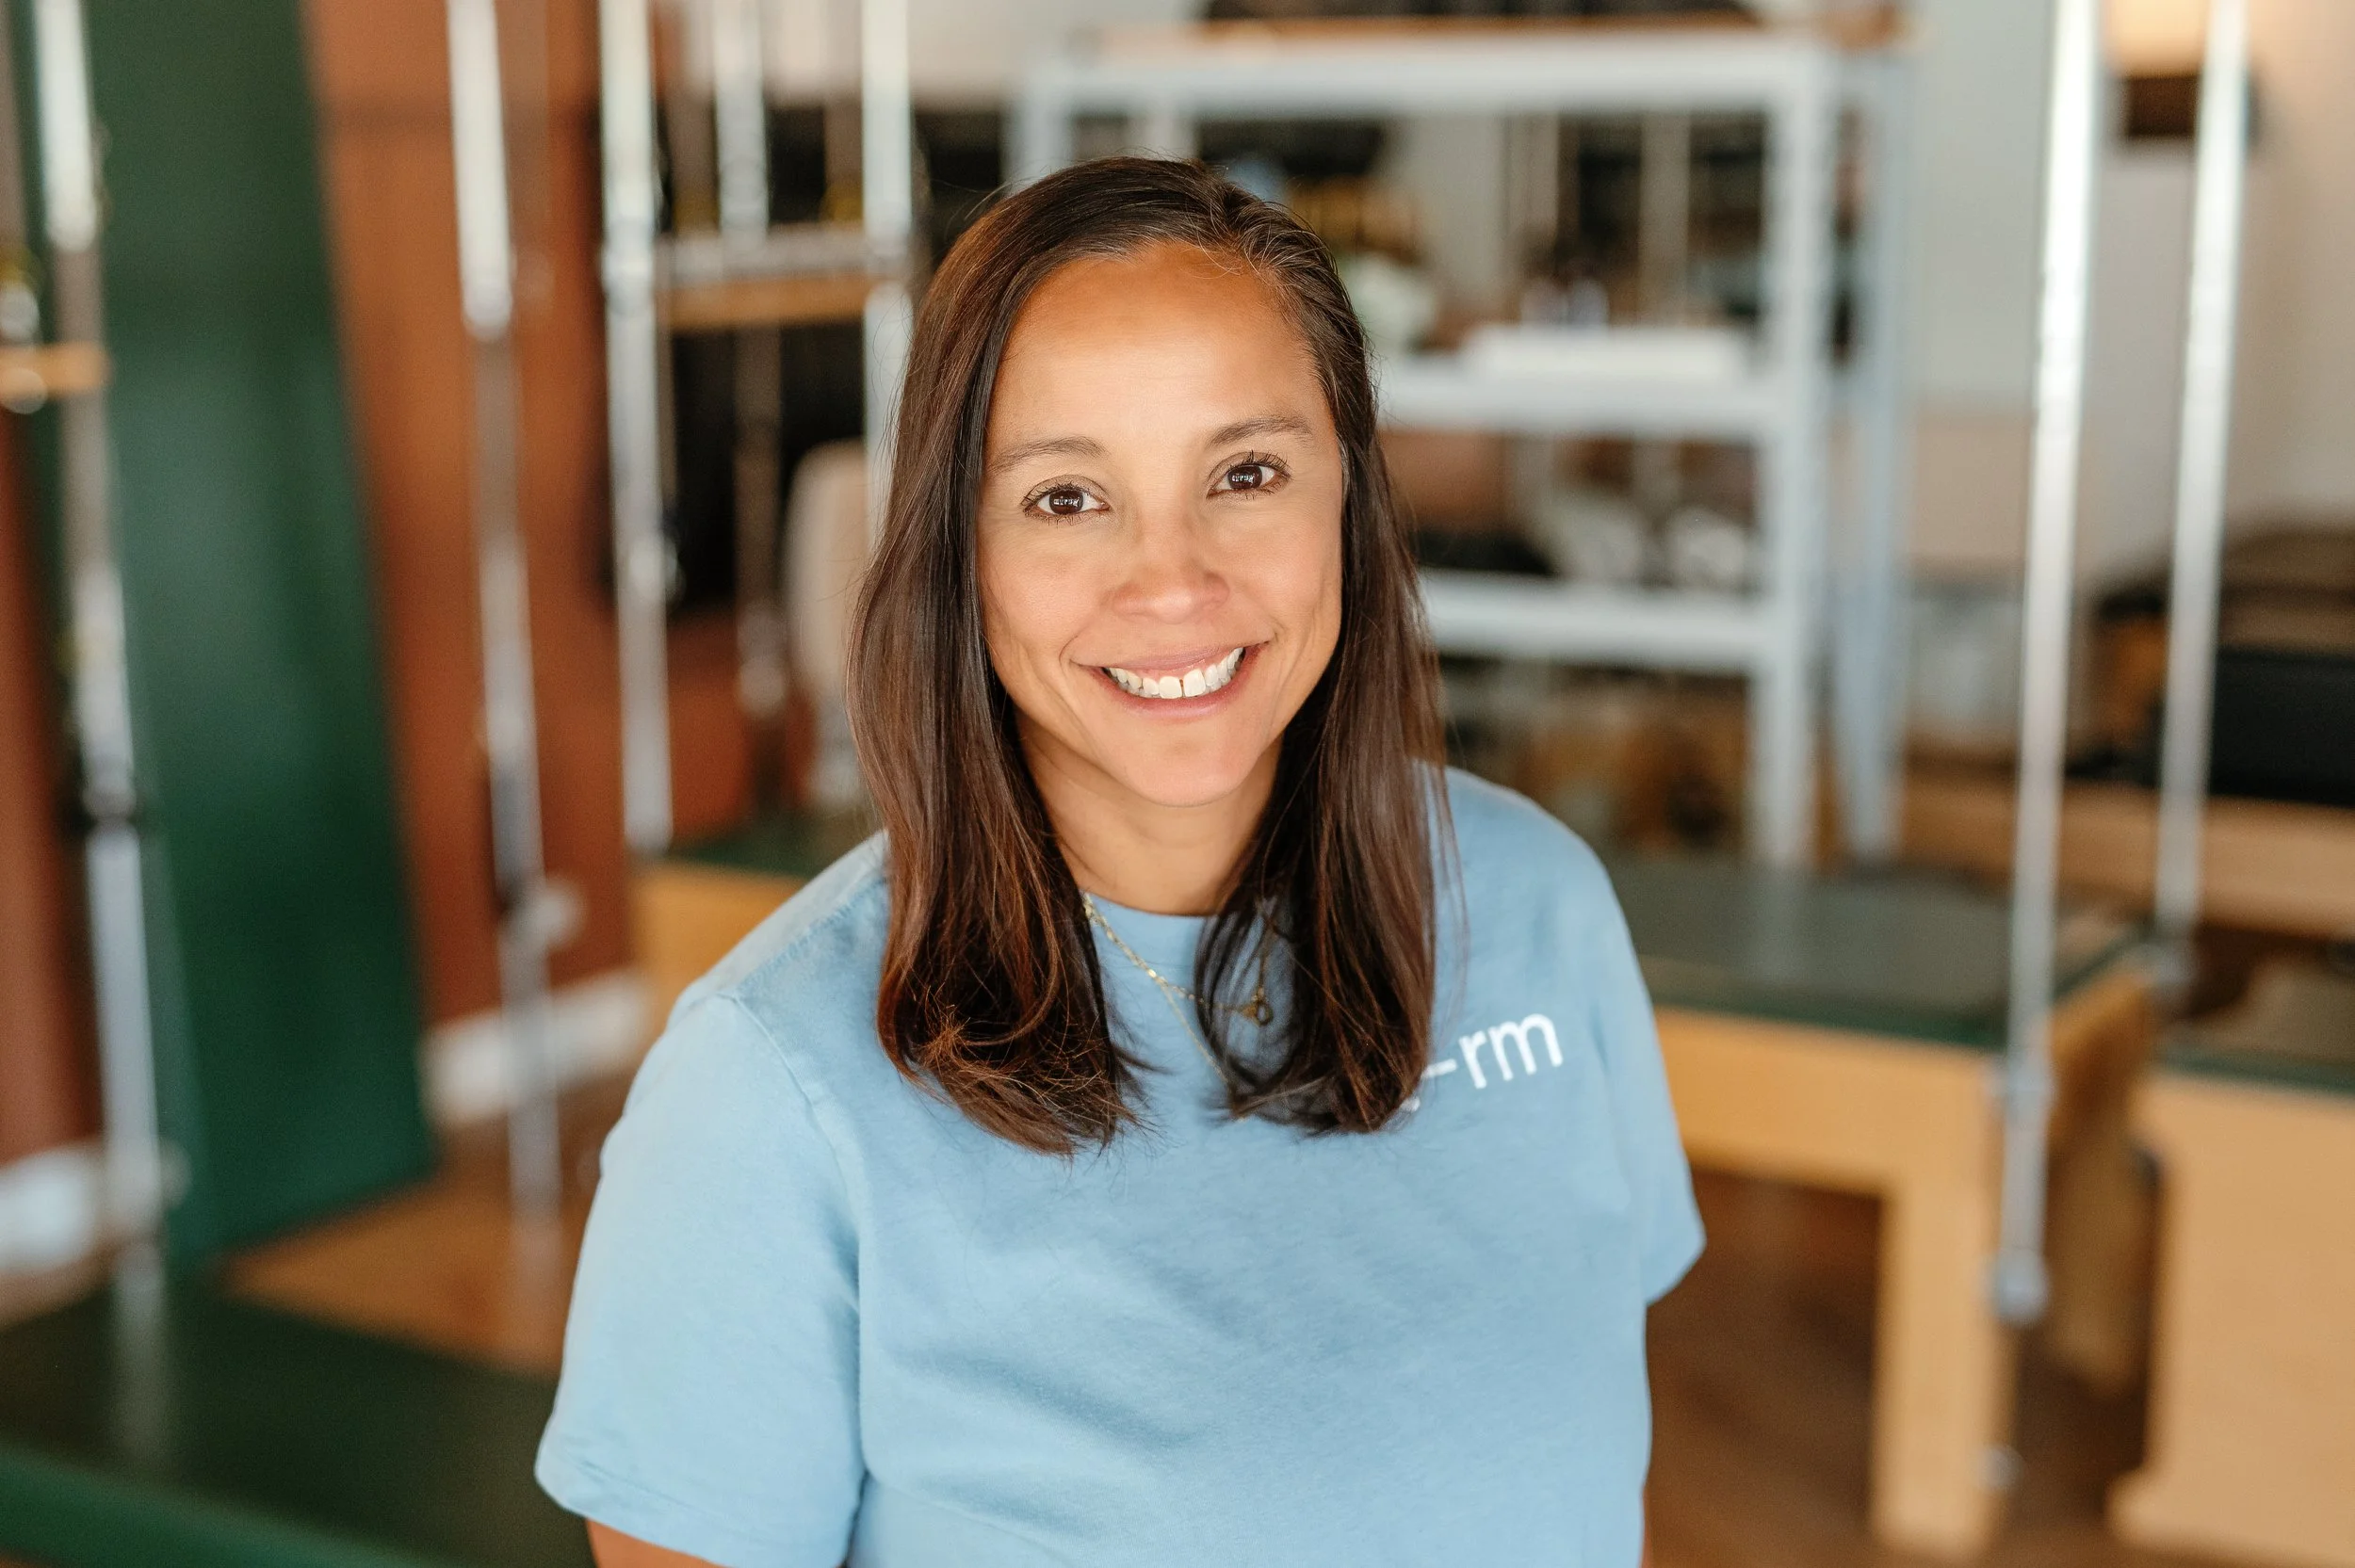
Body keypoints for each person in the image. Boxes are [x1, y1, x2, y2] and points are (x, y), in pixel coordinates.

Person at [538, 156, 1702, 1568]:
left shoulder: (1538, 905)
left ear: (1351, 494)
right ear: (958, 548)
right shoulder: (771, 1086)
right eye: (1067, 498)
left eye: (1247, 472)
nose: (1175, 582)